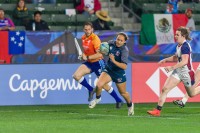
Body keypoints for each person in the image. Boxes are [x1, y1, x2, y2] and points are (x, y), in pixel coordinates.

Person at [147, 26, 200, 116]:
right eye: (175, 34)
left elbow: (184, 61)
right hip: (178, 71)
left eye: (177, 35)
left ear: (183, 36)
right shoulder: (179, 45)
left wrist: (172, 67)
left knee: (191, 94)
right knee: (165, 89)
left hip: (186, 73)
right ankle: (157, 110)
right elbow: (176, 57)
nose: (175, 36)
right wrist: (166, 60)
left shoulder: (185, 46)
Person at [73, 22, 123, 108]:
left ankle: (118, 100)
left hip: (98, 63)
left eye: (89, 29)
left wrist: (87, 57)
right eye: (86, 29)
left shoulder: (95, 39)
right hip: (89, 62)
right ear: (83, 30)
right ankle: (91, 89)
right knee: (76, 76)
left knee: (103, 85)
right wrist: (83, 56)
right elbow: (86, 51)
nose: (87, 31)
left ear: (92, 29)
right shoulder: (83, 37)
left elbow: (100, 54)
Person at [88, 32, 134, 116]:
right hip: (109, 69)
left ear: (124, 42)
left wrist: (113, 60)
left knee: (123, 93)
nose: (118, 41)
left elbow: (124, 66)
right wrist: (101, 51)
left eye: (121, 40)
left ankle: (130, 105)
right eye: (118, 39)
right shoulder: (110, 43)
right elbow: (105, 52)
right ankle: (97, 99)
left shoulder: (124, 51)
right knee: (99, 84)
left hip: (119, 73)